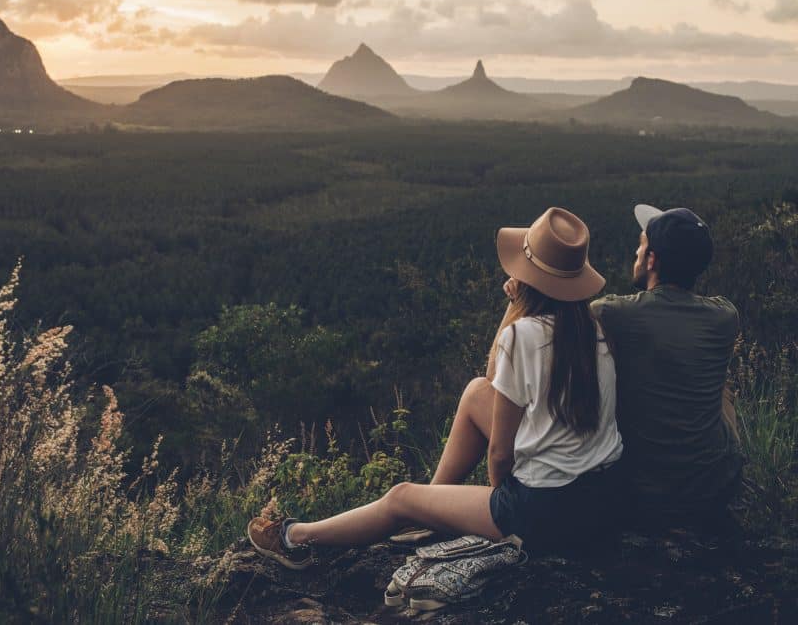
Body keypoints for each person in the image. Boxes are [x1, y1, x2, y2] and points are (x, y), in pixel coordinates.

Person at [247, 207, 623, 569]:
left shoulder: (522, 334)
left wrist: (499, 499)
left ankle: (295, 538)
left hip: (545, 512)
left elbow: (499, 454)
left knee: (400, 496)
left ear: (528, 277)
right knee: (477, 391)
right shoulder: (592, 328)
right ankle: (431, 506)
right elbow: (493, 386)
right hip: (601, 501)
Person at [590, 205, 743, 529]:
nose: (636, 250)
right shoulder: (725, 316)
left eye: (641, 244)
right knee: (721, 385)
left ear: (652, 260)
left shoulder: (612, 313)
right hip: (712, 490)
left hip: (641, 494)